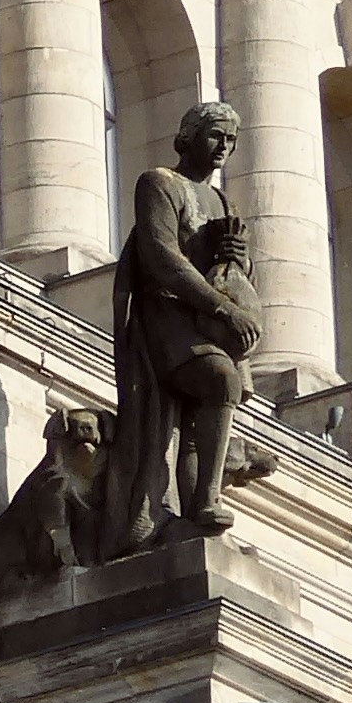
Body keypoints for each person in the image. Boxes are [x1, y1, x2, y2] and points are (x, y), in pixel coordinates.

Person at [96, 100, 261, 554]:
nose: (223, 147)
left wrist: (237, 256)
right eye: (215, 136)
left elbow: (239, 274)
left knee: (197, 417)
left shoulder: (221, 199)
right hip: (165, 317)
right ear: (187, 137)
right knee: (219, 381)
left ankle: (194, 513)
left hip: (203, 321)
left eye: (230, 140)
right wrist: (223, 309)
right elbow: (161, 257)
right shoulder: (159, 184)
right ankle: (205, 499)